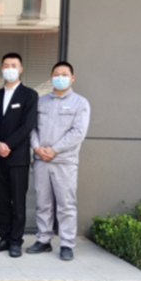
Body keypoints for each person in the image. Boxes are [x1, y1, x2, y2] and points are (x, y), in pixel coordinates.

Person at [27, 61, 91, 261]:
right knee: (42, 203)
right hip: (41, 161)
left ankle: (66, 243)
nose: (60, 77)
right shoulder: (41, 102)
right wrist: (37, 147)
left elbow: (78, 132)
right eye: (56, 74)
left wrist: (54, 149)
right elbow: (31, 128)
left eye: (64, 74)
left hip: (64, 162)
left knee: (66, 204)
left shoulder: (80, 103)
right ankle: (43, 239)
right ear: (51, 77)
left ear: (72, 78)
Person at [0, 52, 38, 258]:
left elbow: (28, 125)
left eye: (14, 65)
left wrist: (8, 144)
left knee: (18, 201)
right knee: (2, 199)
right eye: (6, 65)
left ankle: (16, 241)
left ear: (21, 69)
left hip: (18, 157)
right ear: (1, 69)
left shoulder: (29, 95)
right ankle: (4, 237)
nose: (10, 69)